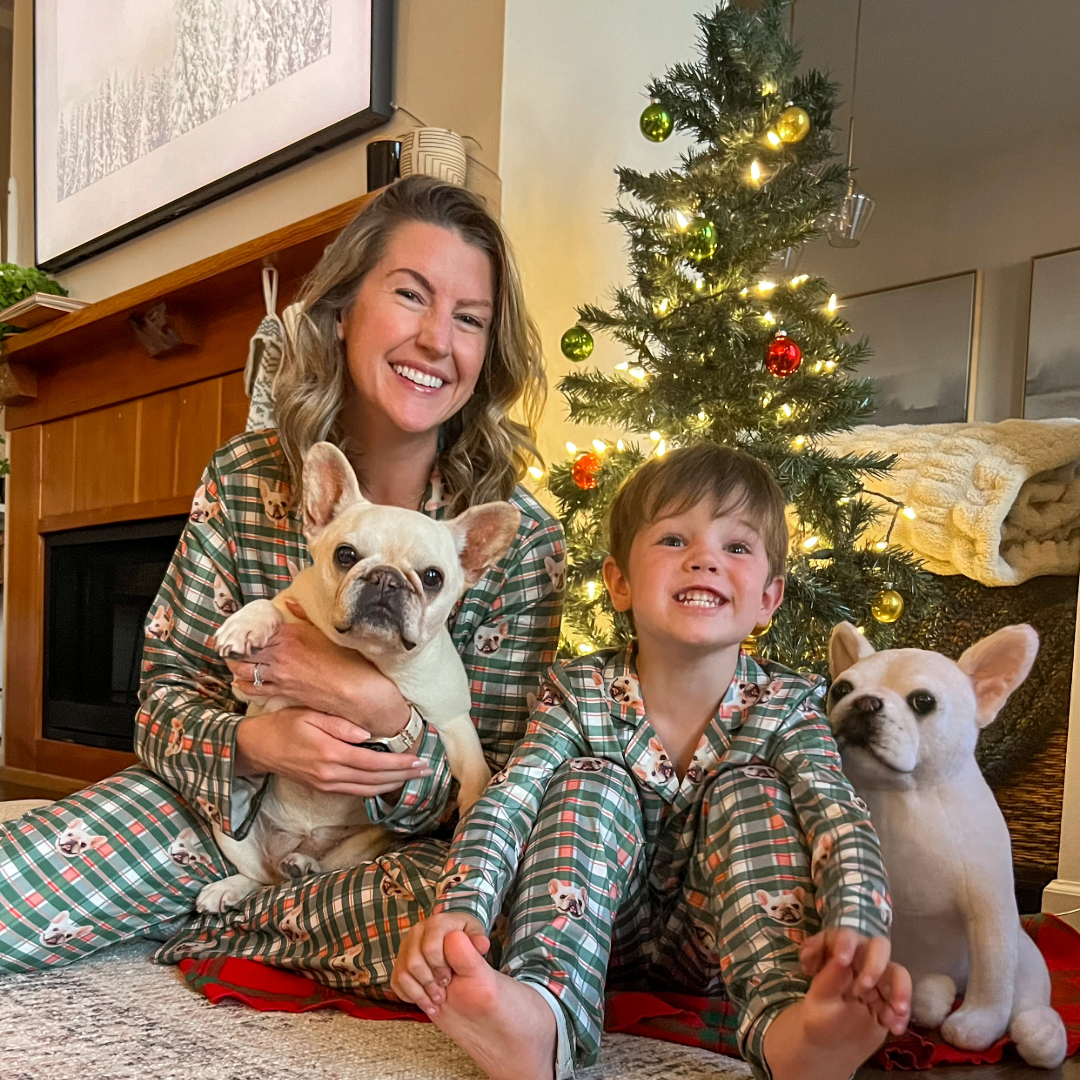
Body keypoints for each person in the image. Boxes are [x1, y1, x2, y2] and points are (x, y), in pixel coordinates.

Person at [0, 176, 565, 990]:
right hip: (228, 813)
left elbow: (509, 781)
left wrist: (384, 717)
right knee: (25, 885)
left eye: (469, 319)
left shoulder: (519, 537)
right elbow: (161, 698)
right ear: (341, 314)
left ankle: (228, 922)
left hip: (393, 853)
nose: (438, 339)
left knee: (490, 932)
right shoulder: (246, 478)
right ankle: (243, 912)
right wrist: (254, 742)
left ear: (488, 351)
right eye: (411, 295)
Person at [392, 444, 912, 1080]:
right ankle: (541, 1018)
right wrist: (462, 906)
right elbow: (511, 797)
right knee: (590, 780)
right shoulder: (577, 693)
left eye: (738, 548)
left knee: (752, 788)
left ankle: (795, 1033)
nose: (705, 559)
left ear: (769, 599)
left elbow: (837, 812)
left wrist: (856, 920)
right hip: (590, 933)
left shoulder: (787, 704)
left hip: (729, 944)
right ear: (619, 584)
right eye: (673, 539)